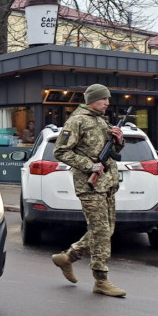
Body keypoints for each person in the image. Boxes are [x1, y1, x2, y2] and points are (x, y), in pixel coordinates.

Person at [50, 84, 126, 298]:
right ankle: (101, 280)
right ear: (92, 99)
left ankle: (68, 258)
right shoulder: (77, 120)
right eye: (104, 99)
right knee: (101, 231)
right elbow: (60, 151)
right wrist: (89, 166)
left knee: (106, 229)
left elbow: (111, 151)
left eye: (108, 99)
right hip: (89, 185)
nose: (107, 103)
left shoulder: (101, 119)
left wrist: (119, 141)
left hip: (107, 183)